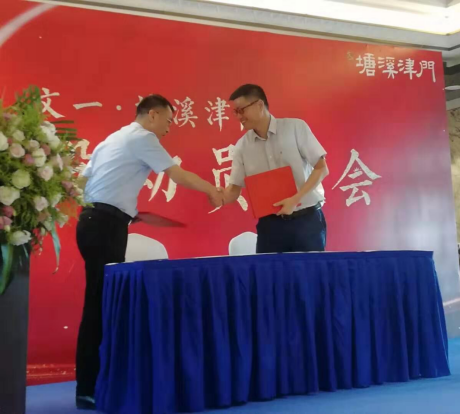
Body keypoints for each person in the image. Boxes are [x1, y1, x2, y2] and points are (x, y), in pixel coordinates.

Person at [74, 94, 223, 410]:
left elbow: (83, 182)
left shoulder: (112, 139)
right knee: (99, 305)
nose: (169, 128)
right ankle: (88, 387)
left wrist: (124, 210)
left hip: (93, 222)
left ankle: (94, 383)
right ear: (152, 114)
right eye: (168, 121)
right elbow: (178, 175)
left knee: (100, 302)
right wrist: (211, 189)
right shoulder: (142, 138)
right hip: (104, 225)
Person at [223, 84, 329, 253]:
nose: (238, 117)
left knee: (310, 269)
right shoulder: (242, 146)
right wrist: (215, 194)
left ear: (259, 105)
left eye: (241, 110)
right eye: (235, 112)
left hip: (307, 220)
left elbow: (321, 168)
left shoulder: (295, 128)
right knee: (269, 269)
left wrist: (295, 199)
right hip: (270, 226)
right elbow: (233, 191)